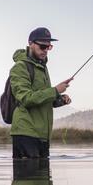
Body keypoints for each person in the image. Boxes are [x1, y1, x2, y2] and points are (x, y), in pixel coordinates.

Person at [10, 27, 72, 158]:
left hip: (42, 135)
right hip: (26, 133)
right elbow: (25, 98)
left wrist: (59, 99)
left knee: (43, 178)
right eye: (42, 46)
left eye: (48, 47)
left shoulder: (42, 68)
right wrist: (55, 90)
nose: (46, 50)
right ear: (30, 43)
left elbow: (42, 98)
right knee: (28, 177)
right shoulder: (20, 67)